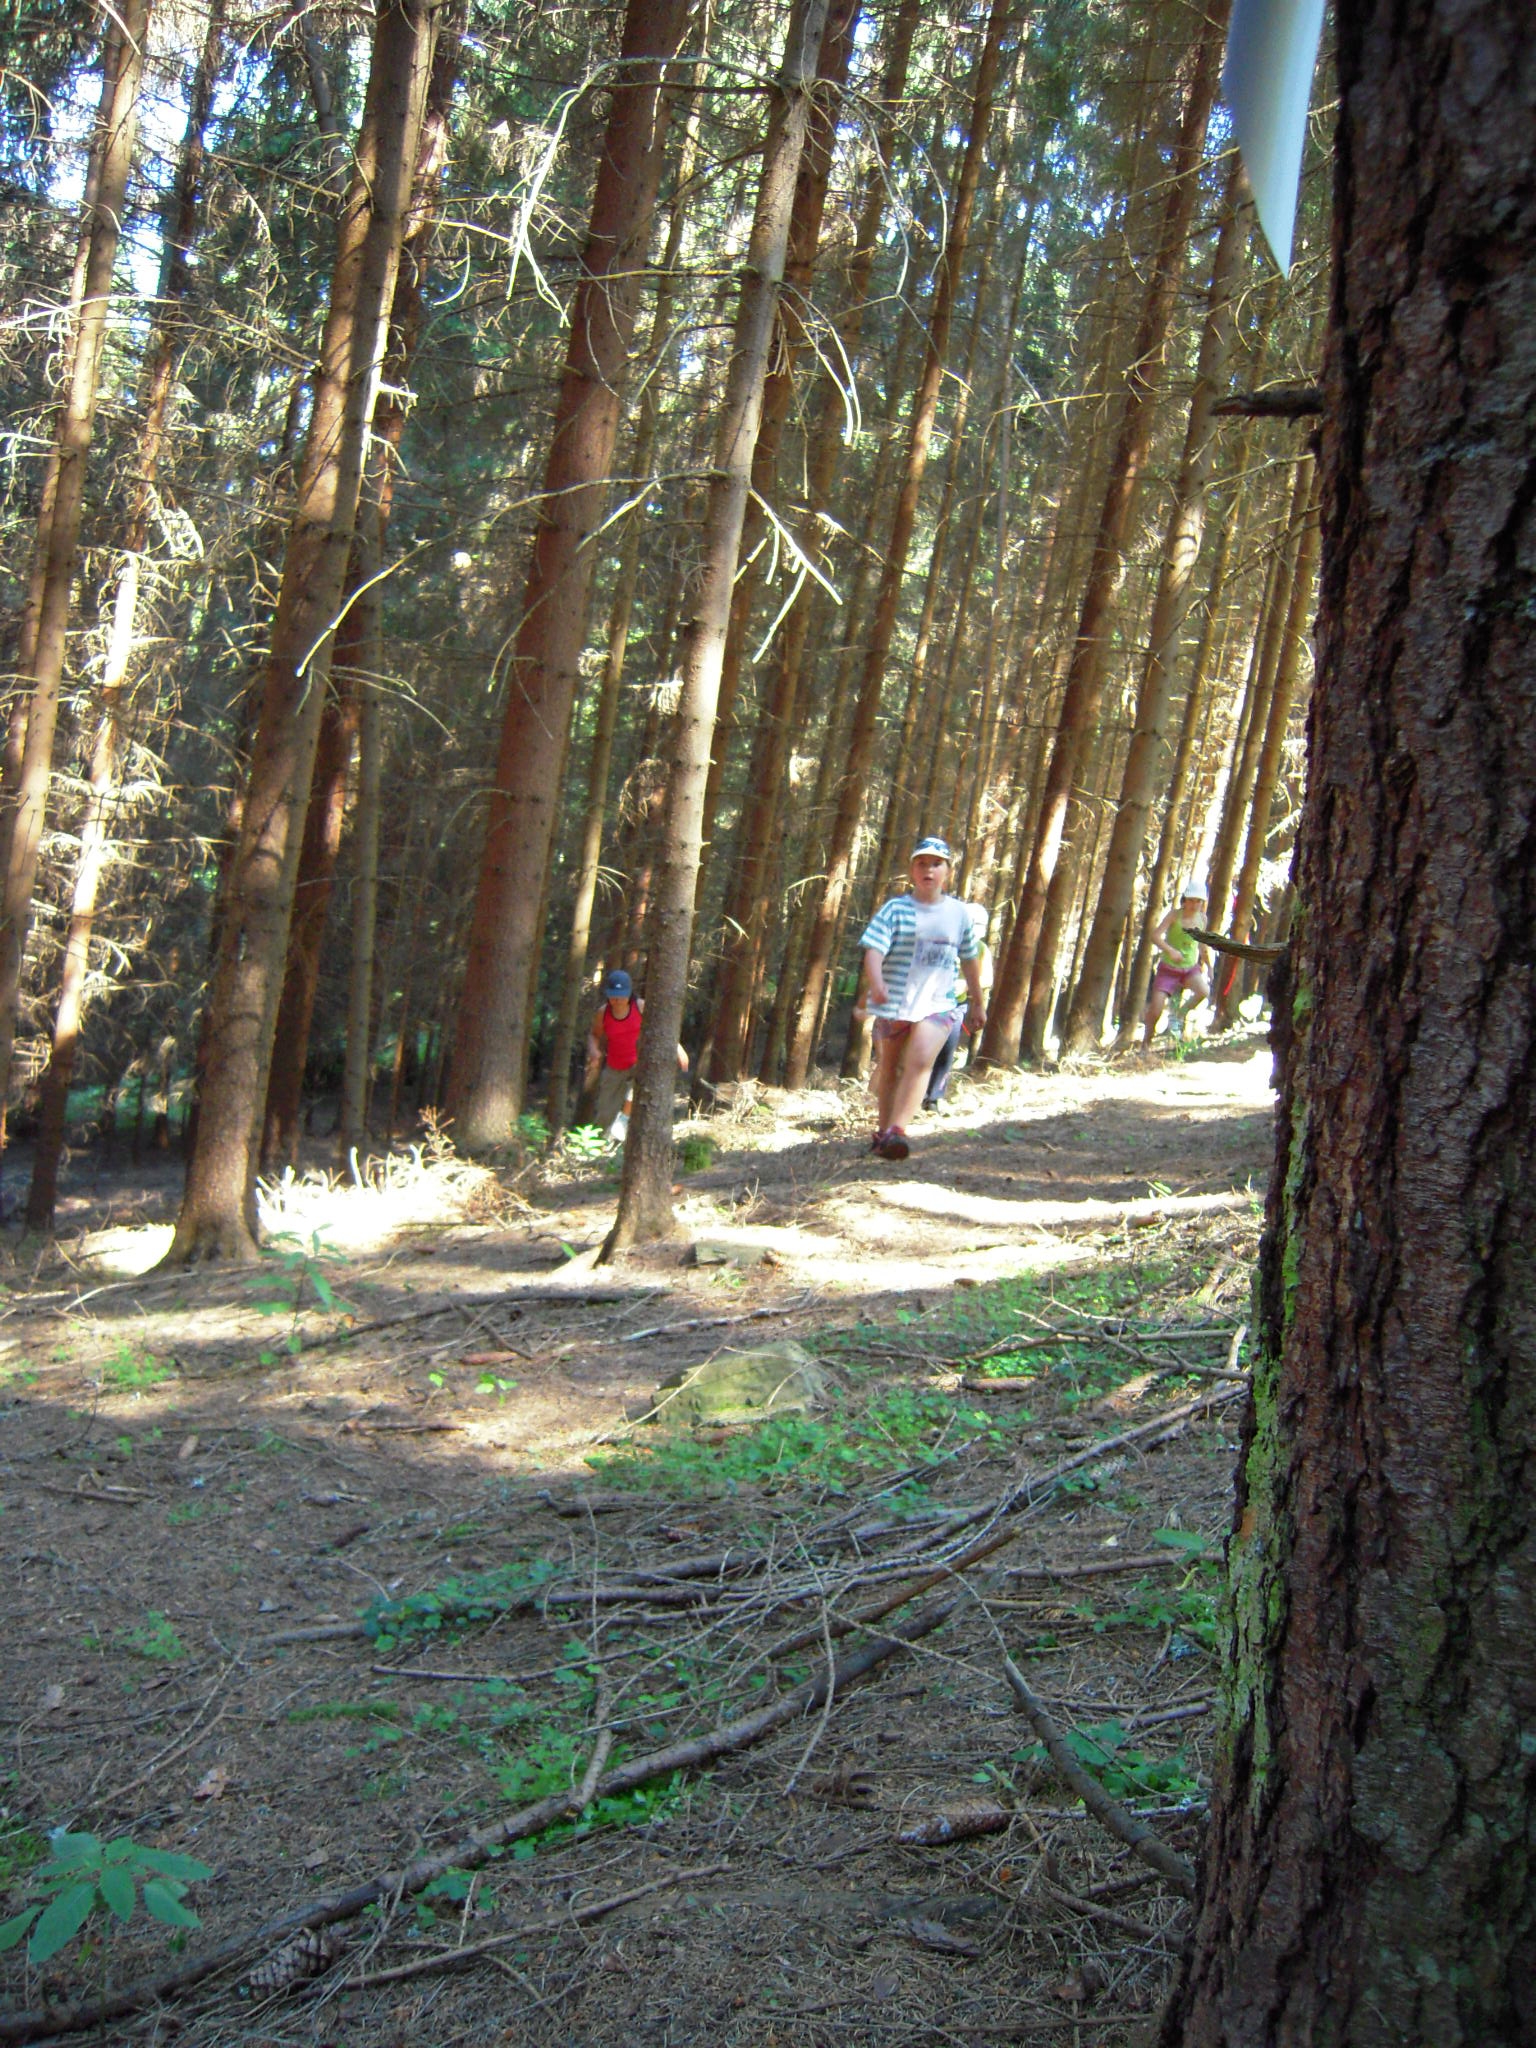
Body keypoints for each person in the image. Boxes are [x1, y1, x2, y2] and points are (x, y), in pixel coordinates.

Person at [858, 837, 986, 1160]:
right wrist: (877, 984)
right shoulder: (895, 910)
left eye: (936, 864)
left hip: (939, 1004)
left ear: (947, 872)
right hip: (895, 1003)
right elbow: (874, 950)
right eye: (922, 863)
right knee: (891, 1068)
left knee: (920, 1062)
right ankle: (883, 1133)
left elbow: (970, 958)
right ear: (912, 870)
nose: (929, 869)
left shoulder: (958, 913)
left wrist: (977, 1001)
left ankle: (897, 1131)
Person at [583, 968, 687, 1140]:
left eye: (621, 996)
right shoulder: (603, 1013)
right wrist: (594, 1051)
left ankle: (623, 1121)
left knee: (635, 1090)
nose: (617, 1000)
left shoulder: (640, 1007)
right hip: (614, 1067)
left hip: (638, 1064)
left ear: (629, 993)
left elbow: (662, 1029)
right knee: (605, 1113)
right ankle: (601, 1145)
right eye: (613, 996)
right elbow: (594, 1035)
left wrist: (678, 1049)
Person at [922, 900, 992, 1111]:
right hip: (928, 1004)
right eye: (973, 924)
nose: (976, 930)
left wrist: (968, 987)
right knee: (922, 1049)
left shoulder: (981, 949)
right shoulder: (943, 941)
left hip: (956, 1005)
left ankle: (934, 1098)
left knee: (946, 1049)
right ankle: (913, 1094)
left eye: (980, 926)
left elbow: (986, 979)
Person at [1142, 882, 1211, 1047]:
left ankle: (1179, 1015)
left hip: (1189, 969)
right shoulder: (1174, 915)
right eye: (1191, 900)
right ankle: (1146, 1043)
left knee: (1203, 991)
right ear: (1185, 900)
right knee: (1156, 1010)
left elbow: (1202, 945)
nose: (1194, 905)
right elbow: (1155, 936)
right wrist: (1170, 951)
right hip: (1168, 969)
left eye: (1199, 901)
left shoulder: (1202, 919)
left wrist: (1209, 966)